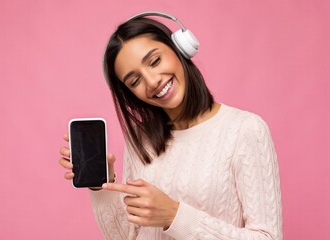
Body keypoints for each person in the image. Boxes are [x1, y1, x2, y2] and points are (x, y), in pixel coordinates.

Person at [59, 12, 282, 240]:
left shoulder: (246, 130)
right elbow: (125, 237)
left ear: (179, 48)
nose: (152, 80)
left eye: (155, 61)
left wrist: (174, 216)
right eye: (135, 81)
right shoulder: (140, 140)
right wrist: (101, 185)